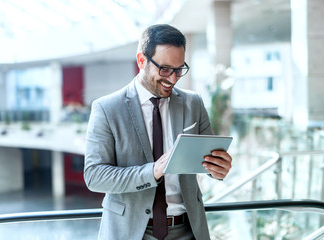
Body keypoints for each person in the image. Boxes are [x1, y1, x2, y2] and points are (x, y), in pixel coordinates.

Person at [84, 24, 233, 240]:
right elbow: (95, 176)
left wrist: (217, 168)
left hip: (188, 230)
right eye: (165, 69)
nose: (172, 79)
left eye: (179, 69)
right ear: (142, 60)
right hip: (131, 232)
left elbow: (207, 161)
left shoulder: (193, 103)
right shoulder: (107, 108)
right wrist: (152, 171)